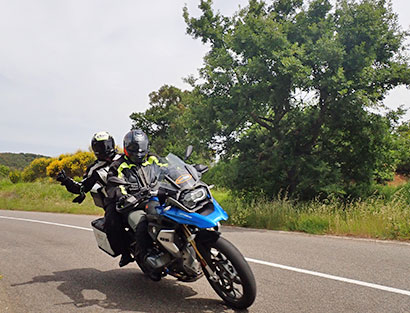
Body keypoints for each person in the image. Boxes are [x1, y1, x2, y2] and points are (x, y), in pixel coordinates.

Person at [105, 129, 166, 269]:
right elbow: (115, 186)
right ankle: (146, 255)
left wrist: (186, 172)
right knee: (143, 222)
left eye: (141, 148)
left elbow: (169, 168)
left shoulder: (153, 158)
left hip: (156, 197)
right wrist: (125, 196)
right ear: (126, 148)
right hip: (134, 203)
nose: (138, 152)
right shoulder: (118, 166)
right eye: (133, 148)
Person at [56, 131, 119, 208]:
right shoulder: (94, 169)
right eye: (100, 146)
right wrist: (66, 181)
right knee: (112, 217)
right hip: (115, 203)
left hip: (135, 196)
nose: (105, 148)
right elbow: (82, 187)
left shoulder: (124, 158)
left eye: (107, 145)